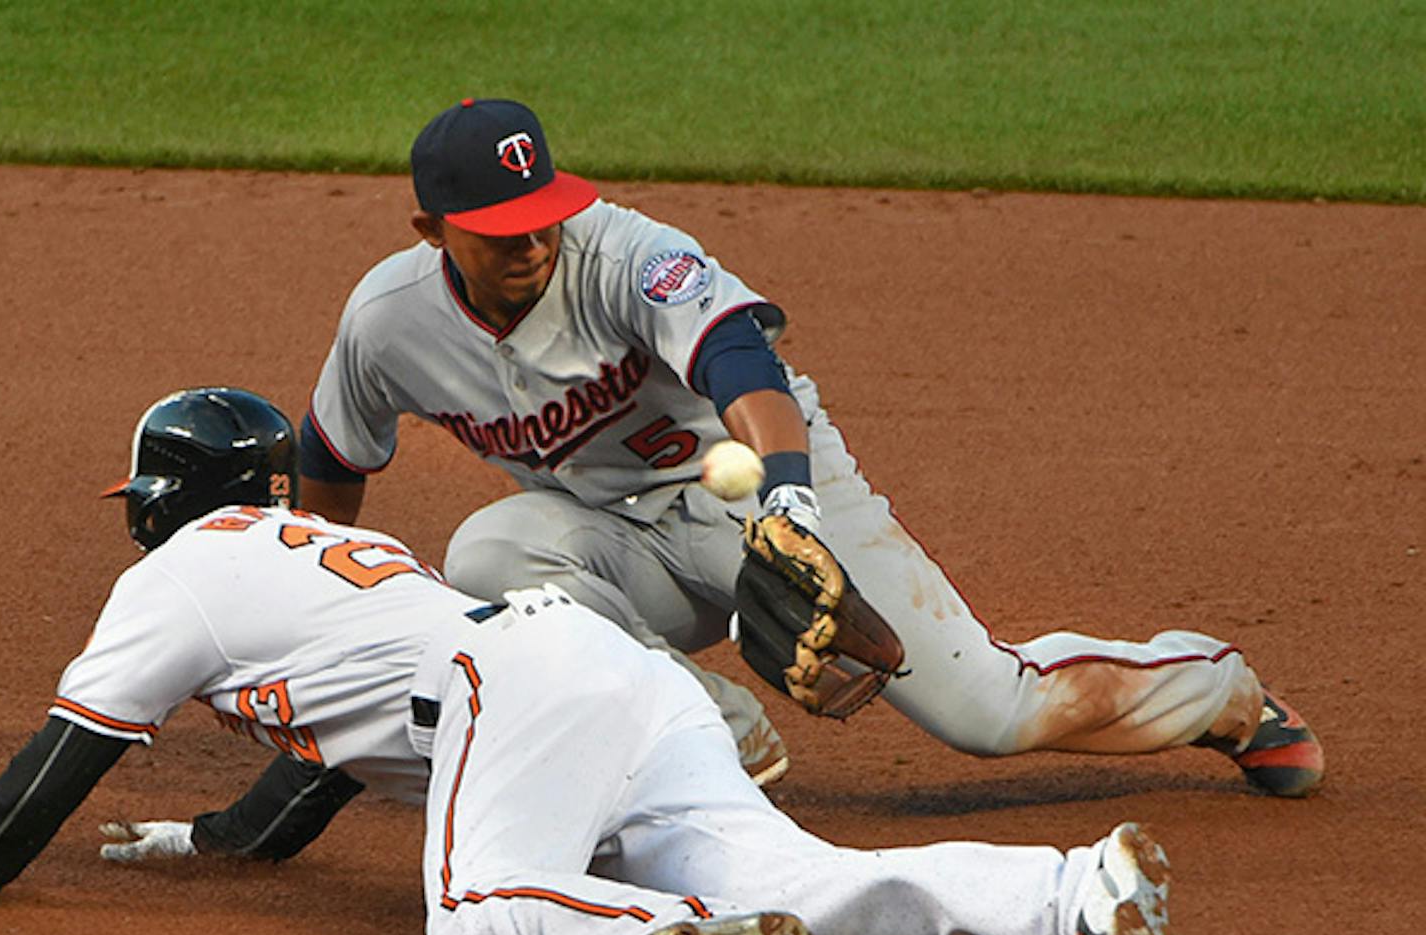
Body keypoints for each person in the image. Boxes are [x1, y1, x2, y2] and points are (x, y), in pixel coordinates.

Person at [0, 387, 1176, 935]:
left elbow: (64, 758)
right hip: (607, 675)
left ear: (159, 495)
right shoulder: (317, 558)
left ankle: (652, 929)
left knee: (473, 917)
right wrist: (216, 838)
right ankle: (1069, 892)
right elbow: (332, 744)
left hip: (514, 685)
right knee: (805, 876)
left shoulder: (176, 576)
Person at [291, 97, 1322, 797]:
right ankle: (707, 723)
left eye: (542, 218)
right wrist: (315, 635)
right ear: (432, 229)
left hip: (771, 499)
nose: (532, 243)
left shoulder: (621, 251)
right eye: (500, 229)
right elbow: (332, 463)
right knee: (488, 555)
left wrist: (789, 499)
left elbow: (742, 361)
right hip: (614, 540)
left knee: (992, 713)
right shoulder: (386, 322)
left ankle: (1214, 687)